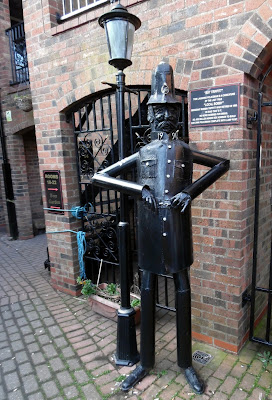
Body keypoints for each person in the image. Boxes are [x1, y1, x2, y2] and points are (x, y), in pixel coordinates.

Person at [91, 62, 230, 394]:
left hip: (179, 232)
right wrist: (139, 190)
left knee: (183, 289)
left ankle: (186, 364)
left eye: (170, 109)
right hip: (151, 233)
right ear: (151, 116)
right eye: (159, 110)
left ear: (177, 114)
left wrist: (189, 192)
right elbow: (100, 176)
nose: (165, 115)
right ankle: (146, 362)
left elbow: (222, 164)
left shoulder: (185, 150)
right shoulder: (144, 152)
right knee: (150, 289)